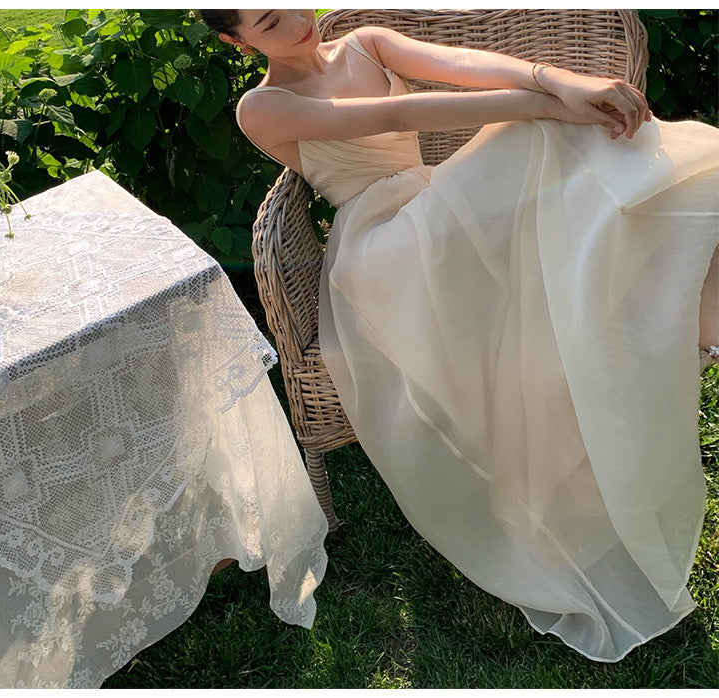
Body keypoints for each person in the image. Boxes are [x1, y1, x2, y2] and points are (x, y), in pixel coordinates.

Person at [199, 9, 719, 662]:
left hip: (435, 207)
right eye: (270, 23)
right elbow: (395, 117)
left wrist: (556, 81)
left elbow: (466, 65)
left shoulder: (365, 43)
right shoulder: (260, 106)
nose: (298, 23)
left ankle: (700, 303)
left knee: (560, 152)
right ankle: (690, 309)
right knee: (531, 134)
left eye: (291, 4)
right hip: (382, 249)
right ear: (238, 42)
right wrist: (551, 102)